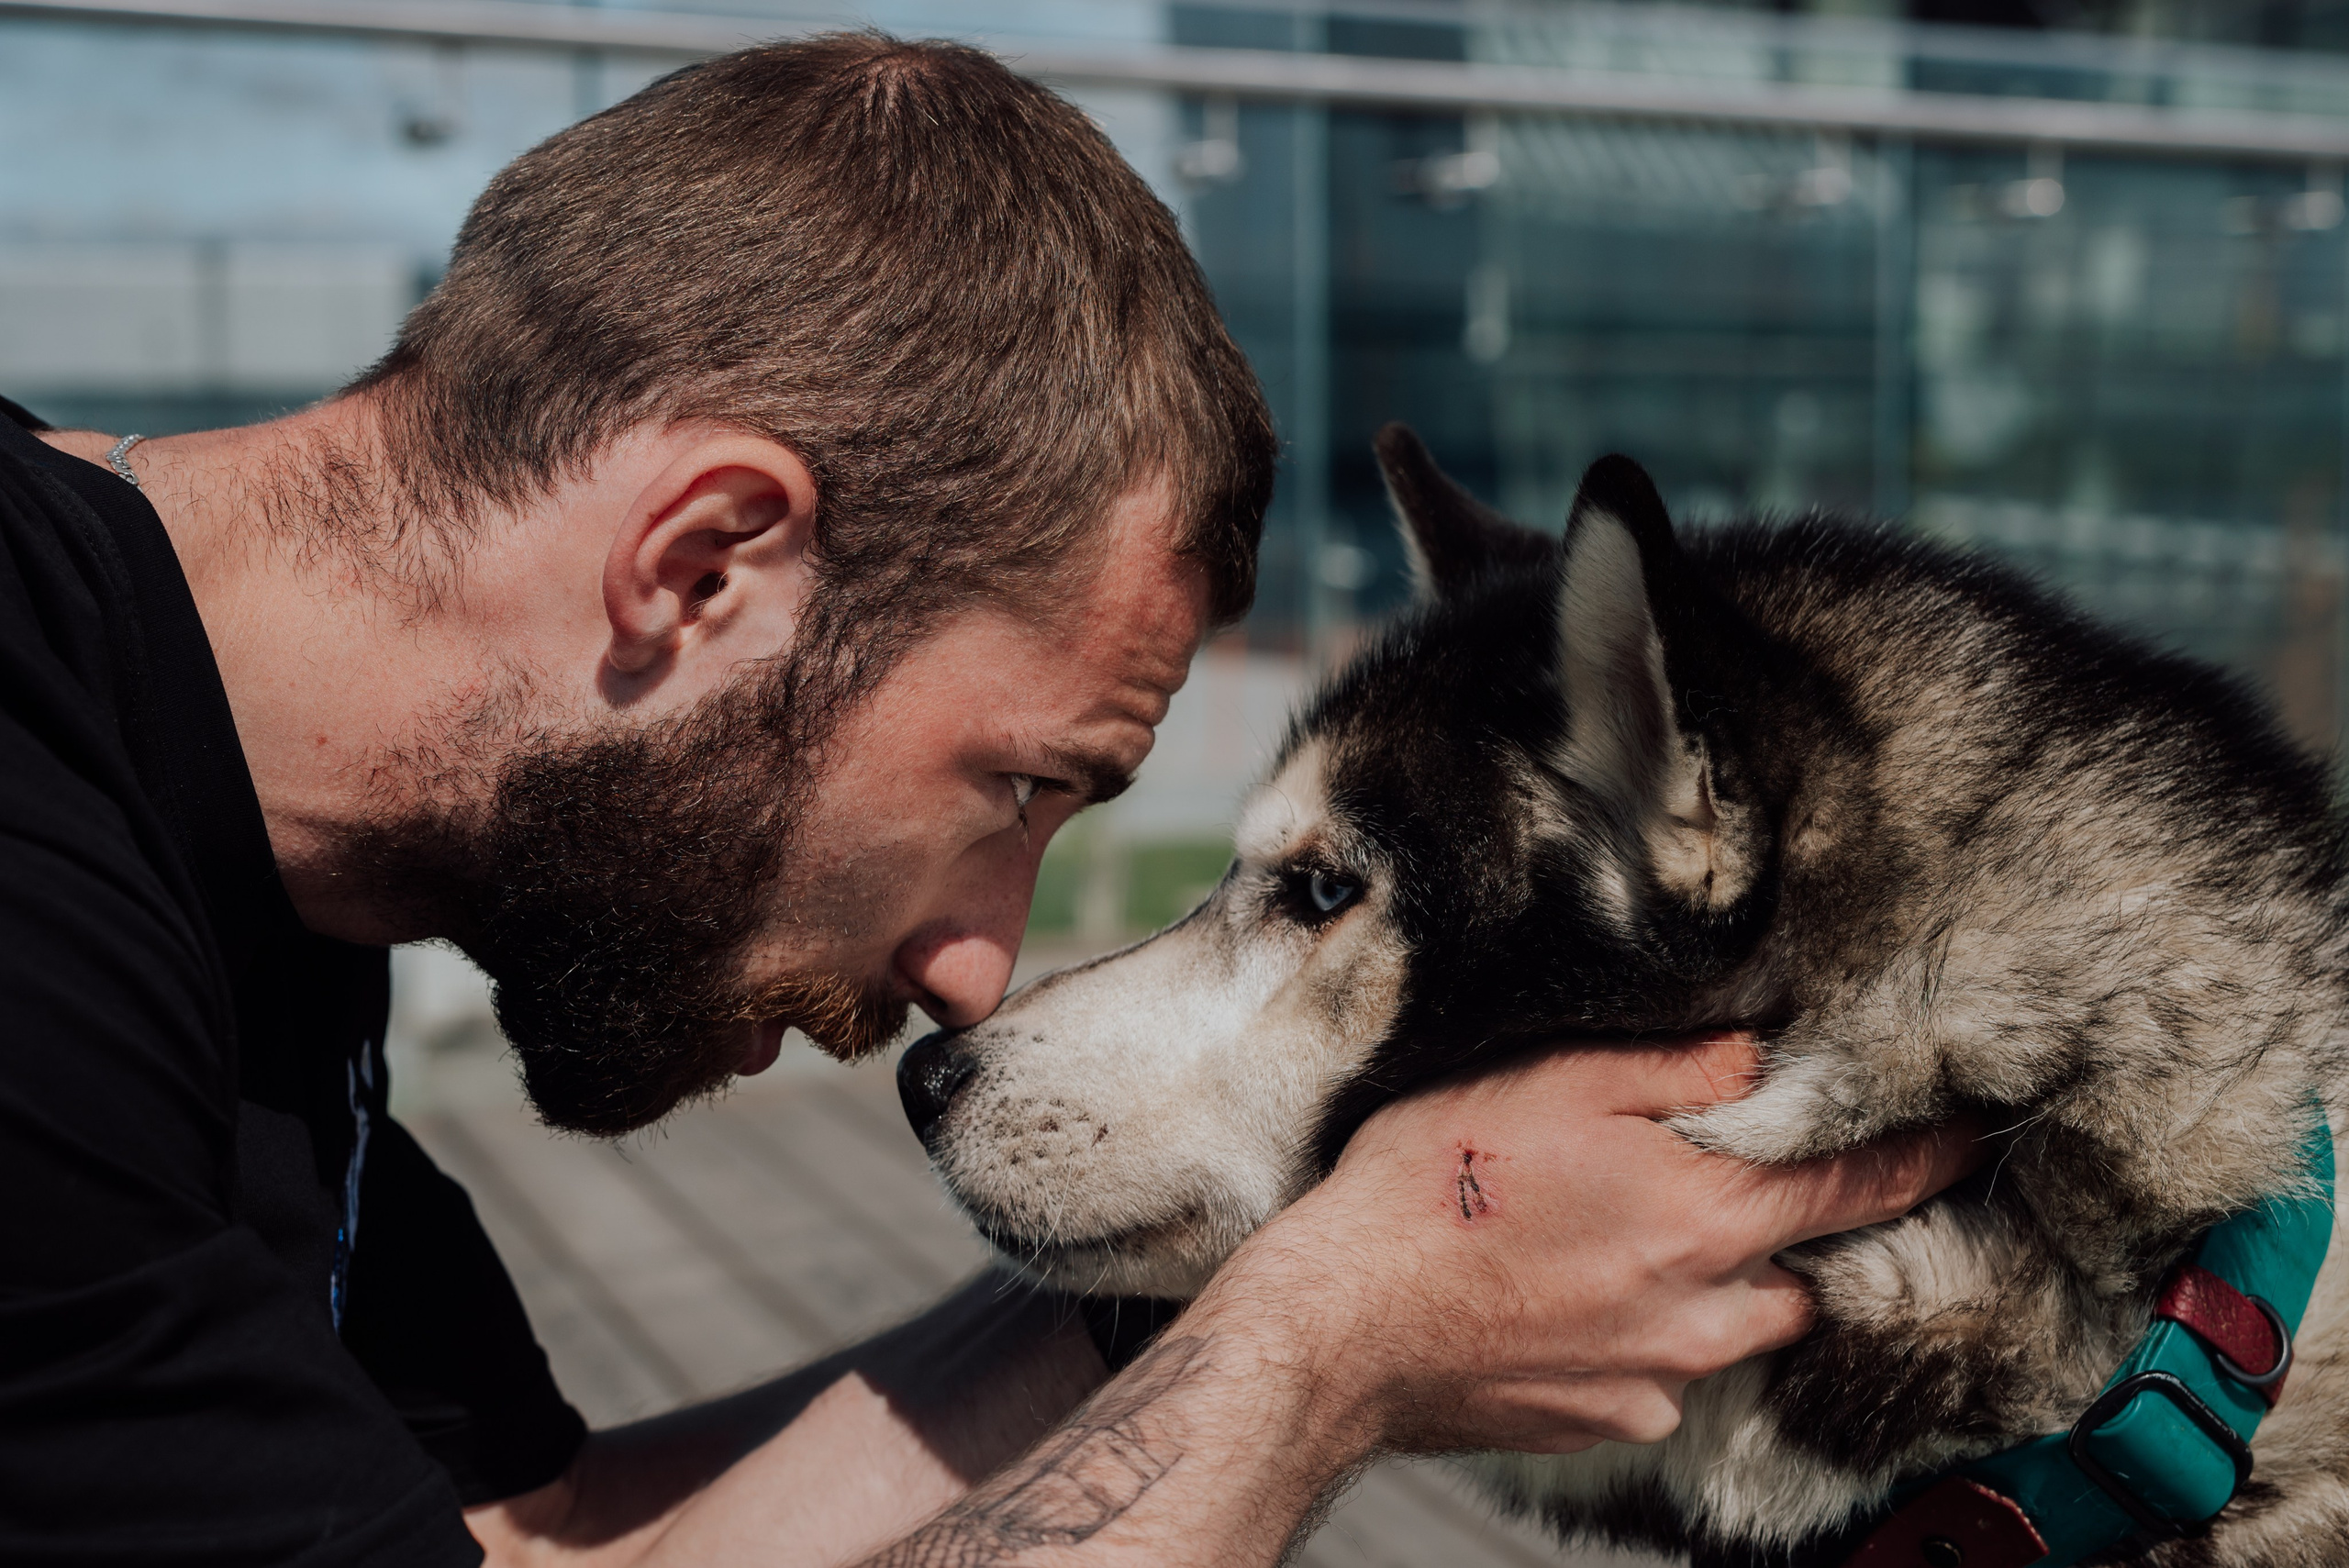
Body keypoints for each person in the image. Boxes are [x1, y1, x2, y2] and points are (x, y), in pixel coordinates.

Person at [0, 33, 1978, 1568]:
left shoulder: (256, 833)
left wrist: (1229, 1256)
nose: (977, 970)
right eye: (1020, 783)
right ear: (703, 565)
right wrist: (1321, 1352)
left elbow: (532, 1537)